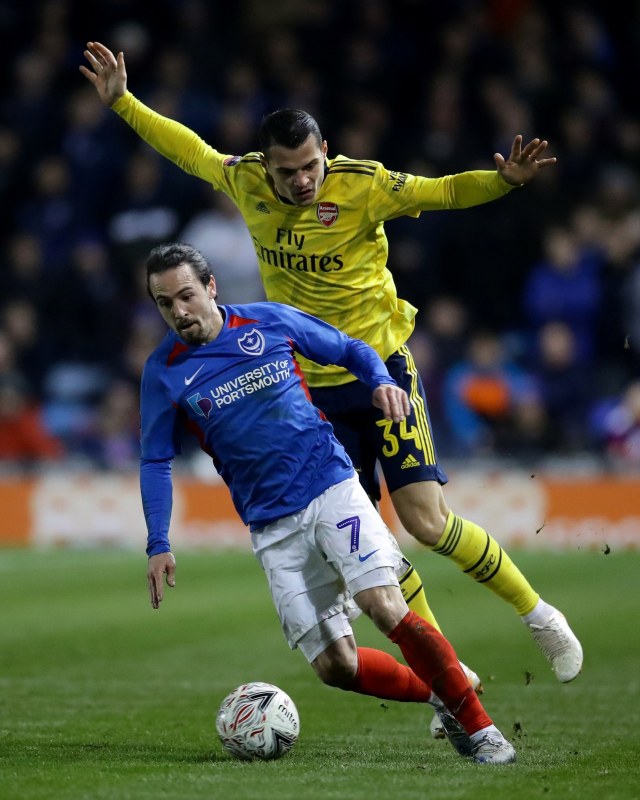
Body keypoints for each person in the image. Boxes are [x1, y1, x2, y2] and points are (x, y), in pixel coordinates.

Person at [81, 43, 583, 701]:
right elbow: (188, 149)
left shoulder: (363, 184)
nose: (301, 181)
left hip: (381, 370)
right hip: (311, 392)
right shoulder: (245, 180)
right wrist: (122, 102)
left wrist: (506, 182)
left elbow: (445, 190)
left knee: (427, 523)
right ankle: (451, 679)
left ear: (327, 151)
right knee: (377, 548)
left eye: (310, 166)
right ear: (267, 165)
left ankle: (539, 615)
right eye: (287, 171)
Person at [139, 242, 516, 765]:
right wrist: (159, 541)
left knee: (385, 607)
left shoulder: (267, 322)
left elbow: (349, 349)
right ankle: (443, 694)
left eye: (185, 295)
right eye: (164, 303)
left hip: (331, 487)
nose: (178, 311)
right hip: (272, 526)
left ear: (210, 288)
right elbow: (156, 461)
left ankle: (481, 728)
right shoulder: (163, 372)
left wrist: (381, 380)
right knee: (335, 666)